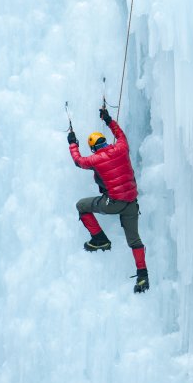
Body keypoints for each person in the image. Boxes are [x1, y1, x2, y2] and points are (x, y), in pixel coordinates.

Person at [67, 108, 149, 293]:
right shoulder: (122, 147)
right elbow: (119, 134)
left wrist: (72, 143)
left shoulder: (96, 159)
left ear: (94, 147)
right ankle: (143, 276)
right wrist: (108, 119)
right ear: (104, 142)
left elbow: (78, 161)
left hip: (114, 203)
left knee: (82, 206)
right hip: (132, 203)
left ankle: (99, 239)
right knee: (134, 241)